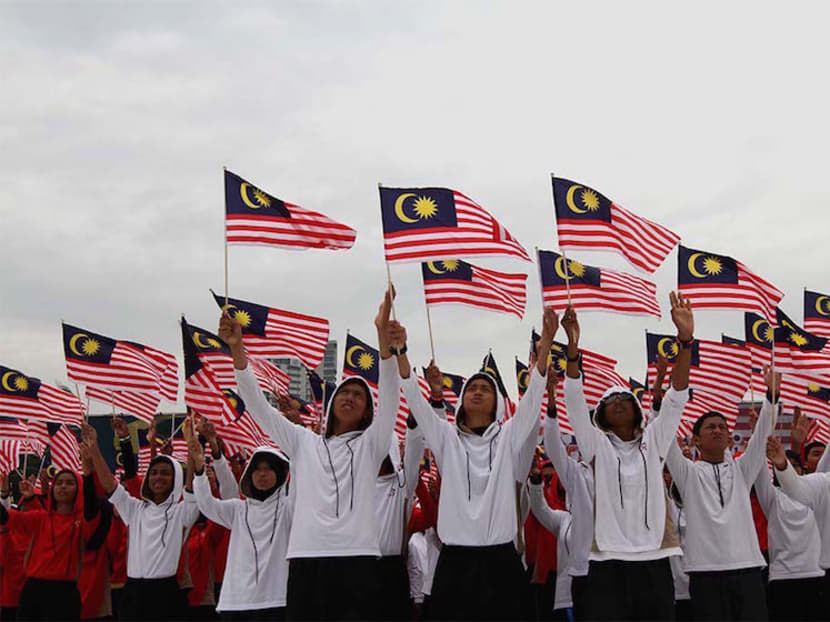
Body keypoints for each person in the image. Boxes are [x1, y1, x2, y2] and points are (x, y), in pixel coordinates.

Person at [222, 288, 400, 620]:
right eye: (344, 392)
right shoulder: (303, 442)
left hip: (357, 559)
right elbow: (259, 407)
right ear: (332, 405)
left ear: (366, 412)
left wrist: (383, 340)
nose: (350, 397)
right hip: (306, 558)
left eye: (359, 395)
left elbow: (390, 396)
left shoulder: (372, 444)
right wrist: (237, 350)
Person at [391, 306, 556, 620]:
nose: (478, 393)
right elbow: (414, 397)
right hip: (455, 564)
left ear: (496, 402)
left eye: (485, 389)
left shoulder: (508, 436)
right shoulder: (445, 438)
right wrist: (400, 351)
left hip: (502, 562)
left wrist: (545, 346)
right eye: (473, 389)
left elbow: (533, 400)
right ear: (462, 400)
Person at [563, 294, 693, 621]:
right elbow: (575, 403)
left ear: (637, 410)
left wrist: (686, 341)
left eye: (625, 398)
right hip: (607, 560)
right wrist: (573, 347)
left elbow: (677, 398)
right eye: (611, 400)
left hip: (655, 557)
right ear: (602, 415)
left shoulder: (655, 441)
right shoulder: (596, 446)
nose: (619, 402)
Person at [665, 367, 777, 621]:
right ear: (695, 440)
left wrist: (772, 396)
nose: (717, 431)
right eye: (710, 427)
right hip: (706, 575)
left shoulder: (742, 470)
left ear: (729, 438)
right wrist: (665, 398)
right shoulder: (688, 474)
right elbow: (665, 440)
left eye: (722, 427)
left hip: (748, 570)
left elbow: (761, 437)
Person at [82, 422, 200, 621]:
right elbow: (110, 485)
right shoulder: (135, 509)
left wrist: (191, 449)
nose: (158, 477)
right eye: (153, 473)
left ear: (176, 478)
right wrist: (94, 447)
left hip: (166, 594)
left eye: (165, 473)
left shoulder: (182, 511)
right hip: (133, 592)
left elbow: (190, 491)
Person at [190, 425, 293, 621]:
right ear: (250, 475)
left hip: (277, 601)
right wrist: (198, 468)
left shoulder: (289, 507)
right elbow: (206, 504)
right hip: (236, 601)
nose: (262, 474)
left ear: (280, 474)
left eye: (269, 469)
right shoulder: (238, 509)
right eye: (257, 469)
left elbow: (302, 480)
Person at [0, 466, 100, 621]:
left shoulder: (82, 522)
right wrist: (27, 498)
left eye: (69, 483)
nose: (63, 486)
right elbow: (6, 518)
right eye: (59, 482)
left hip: (64, 594)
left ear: (79, 488)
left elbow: (93, 505)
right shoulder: (40, 518)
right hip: (33, 591)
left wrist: (88, 472)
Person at [542, 367, 594, 621]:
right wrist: (551, 400)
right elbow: (553, 446)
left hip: (622, 568)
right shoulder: (578, 474)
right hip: (584, 574)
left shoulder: (626, 470)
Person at [755, 435, 823, 621]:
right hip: (783, 577)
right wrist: (758, 437)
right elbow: (759, 471)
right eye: (785, 464)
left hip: (817, 574)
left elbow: (825, 465)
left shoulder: (818, 495)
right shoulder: (772, 498)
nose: (790, 468)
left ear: (803, 469)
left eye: (795, 465)